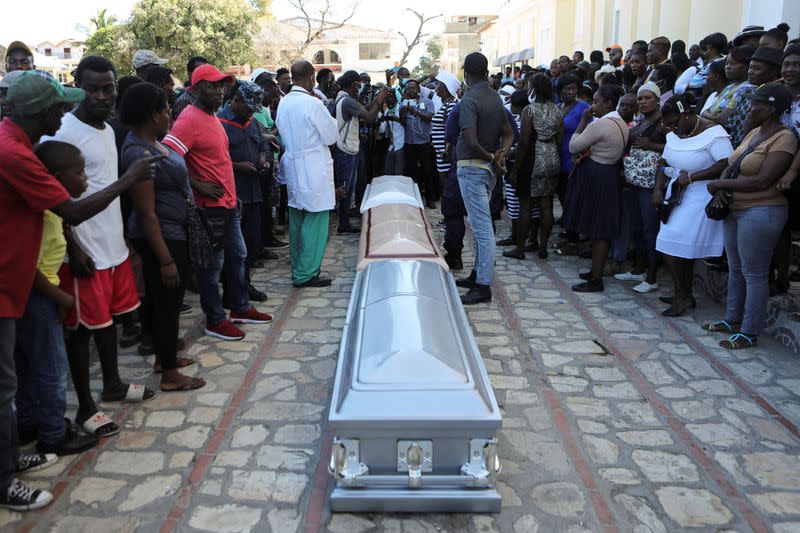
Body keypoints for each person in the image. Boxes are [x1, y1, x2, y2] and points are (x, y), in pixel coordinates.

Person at [0, 69, 158, 511]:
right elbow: (68, 209)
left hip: (24, 277)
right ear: (47, 113)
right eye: (60, 106)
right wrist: (130, 178)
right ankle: (4, 479)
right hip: (15, 278)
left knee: (22, 374)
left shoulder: (20, 141)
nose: (66, 110)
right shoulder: (16, 152)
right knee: (8, 384)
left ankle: (19, 450)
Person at [39, 57, 155, 438]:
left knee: (109, 320)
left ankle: (113, 384)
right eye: (94, 89)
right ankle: (87, 407)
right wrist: (74, 249)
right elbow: (55, 202)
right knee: (81, 330)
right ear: (78, 85)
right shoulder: (61, 132)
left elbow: (101, 183)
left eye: (109, 89)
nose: (103, 96)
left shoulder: (107, 128)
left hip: (112, 243)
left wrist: (119, 233)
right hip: (83, 249)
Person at [163, 64, 273, 341]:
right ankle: (215, 320)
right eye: (212, 86)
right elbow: (167, 157)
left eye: (222, 85)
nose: (220, 91)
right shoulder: (189, 118)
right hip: (207, 208)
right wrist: (197, 184)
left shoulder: (212, 117)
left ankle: (240, 307)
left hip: (228, 203)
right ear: (196, 88)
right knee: (212, 268)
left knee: (238, 256)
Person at [16, 141, 101, 459]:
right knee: (51, 367)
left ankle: (28, 422)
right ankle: (53, 434)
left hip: (35, 296)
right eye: (79, 173)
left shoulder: (50, 209)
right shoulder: (39, 215)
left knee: (27, 364)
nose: (85, 180)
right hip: (39, 296)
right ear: (54, 177)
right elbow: (30, 267)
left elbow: (64, 224)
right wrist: (60, 298)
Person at [118, 82, 206, 391]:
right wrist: (166, 260)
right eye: (167, 110)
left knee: (163, 301)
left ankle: (163, 357)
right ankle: (169, 374)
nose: (170, 115)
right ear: (154, 115)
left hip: (171, 230)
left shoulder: (150, 142)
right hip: (161, 236)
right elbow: (145, 211)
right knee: (167, 303)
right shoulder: (139, 152)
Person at [704, 83, 797, 349]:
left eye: (758, 103)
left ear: (773, 108)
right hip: (736, 209)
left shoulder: (785, 138)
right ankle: (732, 319)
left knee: (754, 274)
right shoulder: (754, 131)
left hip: (762, 210)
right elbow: (732, 165)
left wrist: (720, 186)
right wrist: (721, 185)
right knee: (735, 269)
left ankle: (749, 331)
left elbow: (764, 179)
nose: (752, 107)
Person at [654, 92, 733, 316]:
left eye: (675, 123)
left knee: (674, 243)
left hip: (702, 193)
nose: (673, 129)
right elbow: (664, 161)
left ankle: (683, 296)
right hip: (677, 193)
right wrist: (658, 188)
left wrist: (693, 177)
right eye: (669, 126)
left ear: (687, 113)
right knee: (673, 245)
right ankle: (683, 292)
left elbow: (726, 163)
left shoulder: (714, 133)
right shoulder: (674, 133)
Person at [454, 52, 514, 305]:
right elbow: (510, 134)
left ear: (466, 72)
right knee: (480, 225)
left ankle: (483, 286)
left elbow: (470, 140)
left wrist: (493, 157)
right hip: (486, 170)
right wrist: (501, 154)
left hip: (473, 167)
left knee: (481, 228)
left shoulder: (470, 100)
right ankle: (478, 273)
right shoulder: (495, 97)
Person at [275, 60, 339, 287]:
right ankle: (307, 273)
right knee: (316, 219)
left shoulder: (284, 103)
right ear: (312, 77)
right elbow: (331, 136)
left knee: (298, 219)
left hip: (293, 164)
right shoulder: (313, 104)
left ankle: (298, 265)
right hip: (312, 167)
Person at [563, 85, 629, 292]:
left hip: (597, 174)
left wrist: (583, 121)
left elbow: (573, 146)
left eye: (596, 101)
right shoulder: (621, 123)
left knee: (599, 228)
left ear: (608, 103)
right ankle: (595, 271)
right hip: (607, 174)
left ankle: (596, 278)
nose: (592, 106)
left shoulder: (600, 124)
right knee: (598, 226)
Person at [218, 81, 270, 302]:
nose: (250, 113)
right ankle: (233, 289)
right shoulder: (220, 122)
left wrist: (262, 158)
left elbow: (263, 145)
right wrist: (238, 166)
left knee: (251, 243)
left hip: (253, 191)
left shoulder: (252, 122)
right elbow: (213, 160)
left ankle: (244, 284)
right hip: (232, 194)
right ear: (236, 100)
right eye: (248, 108)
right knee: (233, 248)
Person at [614, 82, 666, 293]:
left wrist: (652, 146)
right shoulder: (642, 121)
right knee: (637, 228)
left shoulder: (664, 123)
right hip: (635, 181)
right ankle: (638, 270)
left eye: (647, 98)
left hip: (651, 183)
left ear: (657, 99)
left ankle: (651, 277)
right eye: (640, 99)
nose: (643, 102)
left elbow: (676, 145)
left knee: (650, 230)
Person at [506, 73, 561, 260]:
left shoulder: (529, 110)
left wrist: (515, 170)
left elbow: (524, 141)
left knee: (526, 205)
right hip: (552, 156)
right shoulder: (557, 110)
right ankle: (543, 247)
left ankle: (520, 248)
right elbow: (560, 139)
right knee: (546, 205)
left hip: (533, 158)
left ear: (534, 89)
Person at [331, 70, 385, 233]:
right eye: (358, 86)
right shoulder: (347, 100)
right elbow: (368, 118)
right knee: (346, 188)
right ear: (355, 84)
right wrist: (379, 101)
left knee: (347, 187)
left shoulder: (344, 99)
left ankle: (344, 222)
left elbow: (363, 109)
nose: (359, 89)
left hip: (345, 149)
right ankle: (344, 223)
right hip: (345, 150)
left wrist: (375, 101)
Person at [554, 74, 590, 255]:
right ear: (560, 90)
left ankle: (574, 240)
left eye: (574, 88)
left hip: (574, 160)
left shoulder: (583, 108)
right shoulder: (560, 107)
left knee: (572, 201)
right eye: (568, 88)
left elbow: (589, 134)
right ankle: (569, 236)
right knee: (563, 200)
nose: (572, 92)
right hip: (558, 159)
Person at [702, 46, 757, 148]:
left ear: (746, 66)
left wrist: (711, 116)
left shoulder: (746, 88)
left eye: (733, 63)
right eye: (727, 63)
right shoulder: (729, 88)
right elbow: (706, 111)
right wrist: (713, 116)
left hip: (727, 142)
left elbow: (722, 119)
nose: (727, 67)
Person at [400, 79, 438, 207]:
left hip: (424, 142)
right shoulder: (403, 104)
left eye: (413, 88)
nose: (411, 90)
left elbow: (429, 118)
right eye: (408, 88)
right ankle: (413, 198)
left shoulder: (427, 102)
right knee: (411, 171)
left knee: (427, 171)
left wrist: (415, 112)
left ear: (418, 89)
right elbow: (403, 123)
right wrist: (402, 113)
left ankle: (430, 198)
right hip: (409, 143)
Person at [431, 71, 461, 192]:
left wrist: (447, 148)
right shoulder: (446, 104)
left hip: (446, 153)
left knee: (448, 186)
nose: (436, 87)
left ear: (445, 88)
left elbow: (452, 129)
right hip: (441, 152)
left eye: (438, 84)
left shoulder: (452, 104)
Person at [171, 55, 209, 121]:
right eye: (201, 71)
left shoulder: (205, 96)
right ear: (190, 74)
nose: (206, 75)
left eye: (207, 71)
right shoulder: (184, 101)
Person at [379, 90, 405, 175]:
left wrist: (398, 119)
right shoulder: (387, 111)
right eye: (387, 97)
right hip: (391, 146)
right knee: (387, 172)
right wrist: (380, 114)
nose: (389, 99)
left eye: (391, 96)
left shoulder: (401, 109)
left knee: (398, 173)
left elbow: (406, 124)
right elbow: (381, 130)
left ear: (396, 98)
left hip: (401, 145)